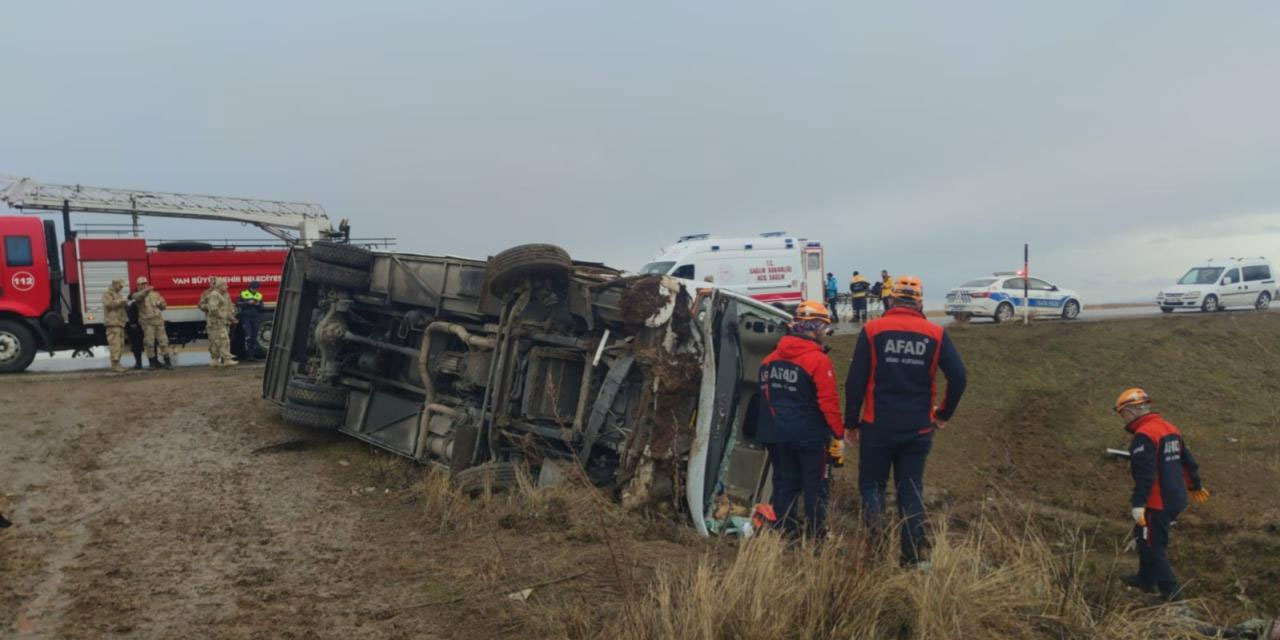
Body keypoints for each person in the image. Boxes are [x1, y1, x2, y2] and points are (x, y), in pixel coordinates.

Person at [844, 275, 966, 568]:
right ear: (920, 302)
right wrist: (942, 415)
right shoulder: (935, 333)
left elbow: (854, 382)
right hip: (918, 428)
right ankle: (912, 559)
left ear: (891, 300)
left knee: (872, 487)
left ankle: (876, 552)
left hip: (877, 426)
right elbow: (959, 378)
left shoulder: (872, 330)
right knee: (910, 490)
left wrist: (851, 423)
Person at [755, 300, 844, 539]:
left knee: (784, 484)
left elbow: (764, 397)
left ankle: (786, 535)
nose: (824, 333)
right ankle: (816, 539)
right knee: (815, 486)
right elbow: (828, 402)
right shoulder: (818, 361)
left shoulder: (768, 361)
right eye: (823, 327)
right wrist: (839, 433)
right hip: (809, 436)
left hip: (776, 435)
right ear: (814, 328)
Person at [1115, 388, 1208, 601]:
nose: (1123, 418)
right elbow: (1187, 461)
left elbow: (1145, 474)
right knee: (1142, 534)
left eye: (1122, 414)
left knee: (1153, 545)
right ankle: (1145, 579)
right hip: (1176, 497)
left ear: (1130, 411)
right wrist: (1195, 485)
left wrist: (1138, 503)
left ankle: (1172, 595)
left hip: (1157, 501)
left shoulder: (1144, 436)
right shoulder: (1169, 428)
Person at [131, 276, 172, 369]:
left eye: (145, 283)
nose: (144, 285)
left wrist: (161, 304)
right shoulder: (137, 295)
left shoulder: (155, 294)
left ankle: (167, 362)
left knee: (163, 342)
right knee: (149, 343)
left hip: (158, 321)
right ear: (138, 285)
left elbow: (164, 305)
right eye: (142, 284)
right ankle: (152, 363)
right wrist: (146, 291)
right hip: (147, 323)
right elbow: (138, 297)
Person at [199, 278, 238, 367]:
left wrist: (231, 317)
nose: (227, 286)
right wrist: (220, 315)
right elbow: (209, 307)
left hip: (224, 321)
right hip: (217, 322)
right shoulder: (211, 294)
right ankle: (220, 359)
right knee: (220, 340)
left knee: (222, 340)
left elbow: (228, 306)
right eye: (225, 285)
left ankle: (221, 360)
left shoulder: (225, 294)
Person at [101, 279, 129, 373]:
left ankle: (118, 364)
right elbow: (109, 304)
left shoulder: (119, 294)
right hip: (112, 323)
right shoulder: (107, 294)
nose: (121, 287)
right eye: (120, 286)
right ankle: (114, 365)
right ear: (115, 284)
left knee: (121, 345)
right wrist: (121, 301)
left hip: (120, 323)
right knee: (115, 344)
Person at [237, 280, 265, 361]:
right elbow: (238, 303)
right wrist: (247, 303)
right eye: (254, 288)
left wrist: (257, 304)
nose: (256, 290)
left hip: (255, 317)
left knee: (254, 337)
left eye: (257, 289)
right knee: (248, 336)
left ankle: (253, 356)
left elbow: (262, 306)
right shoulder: (243, 293)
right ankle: (247, 356)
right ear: (250, 287)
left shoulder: (259, 295)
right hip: (246, 318)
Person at [125, 289, 145, 369]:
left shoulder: (131, 304)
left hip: (134, 327)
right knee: (137, 345)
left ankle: (138, 364)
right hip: (135, 327)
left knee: (136, 345)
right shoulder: (131, 304)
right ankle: (139, 363)